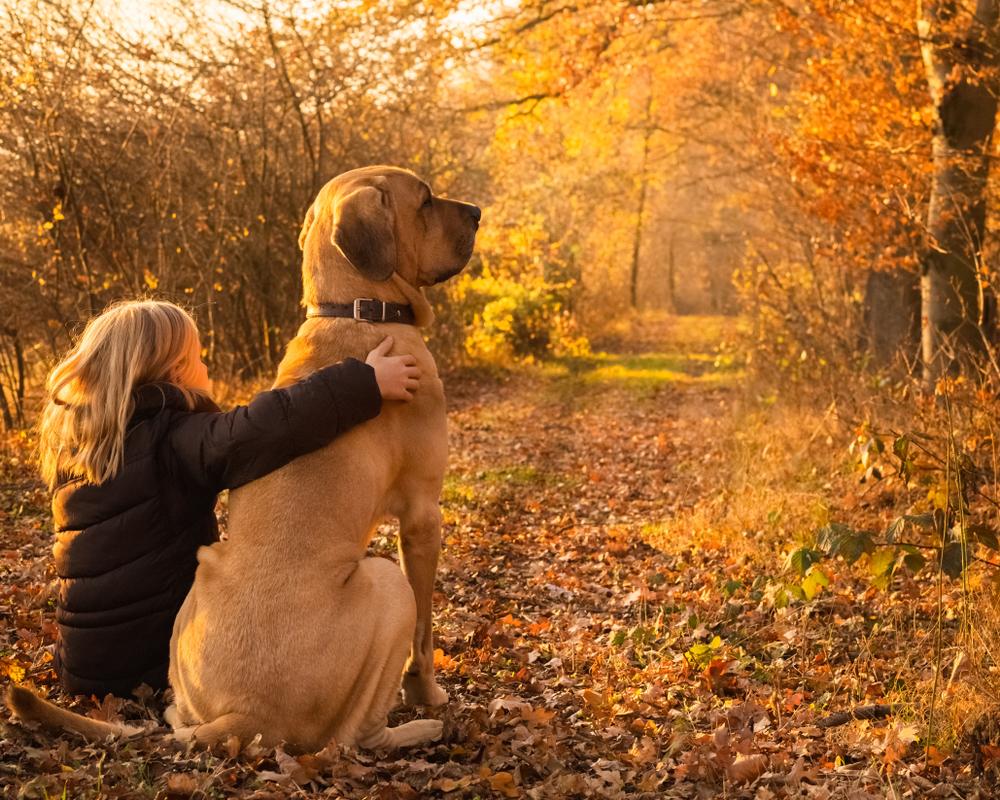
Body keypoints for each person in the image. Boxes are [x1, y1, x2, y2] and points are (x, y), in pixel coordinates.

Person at [35, 299, 420, 697]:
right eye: (199, 358)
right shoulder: (171, 436)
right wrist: (365, 382)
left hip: (80, 671)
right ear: (175, 371)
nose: (206, 368)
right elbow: (262, 429)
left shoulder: (79, 447)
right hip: (157, 666)